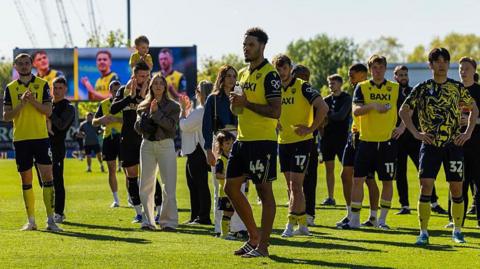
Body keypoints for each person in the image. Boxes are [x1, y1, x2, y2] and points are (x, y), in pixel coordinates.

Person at [400, 48, 478, 245]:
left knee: (456, 188)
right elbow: (404, 110)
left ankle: (458, 231)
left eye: (445, 61)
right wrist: (416, 133)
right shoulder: (423, 88)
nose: (441, 64)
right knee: (425, 186)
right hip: (430, 145)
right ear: (430, 65)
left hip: (453, 145)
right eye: (437, 61)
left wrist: (467, 133)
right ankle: (423, 232)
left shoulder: (456, 88)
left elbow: (474, 109)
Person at [225, 27, 282, 258]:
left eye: (250, 45)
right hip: (242, 140)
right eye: (244, 44)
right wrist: (235, 103)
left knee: (264, 192)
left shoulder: (271, 75)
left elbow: (275, 111)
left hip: (263, 142)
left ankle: (264, 247)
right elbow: (238, 108)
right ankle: (253, 237)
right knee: (230, 188)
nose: (246, 48)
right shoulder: (242, 73)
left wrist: (246, 103)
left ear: (262, 46)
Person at [3, 53, 61, 231]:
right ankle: (31, 221)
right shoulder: (10, 88)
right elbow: (6, 116)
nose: (23, 66)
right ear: (15, 66)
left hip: (40, 138)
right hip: (21, 139)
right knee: (26, 179)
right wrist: (21, 104)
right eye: (20, 64)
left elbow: (48, 111)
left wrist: (33, 101)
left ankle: (51, 220)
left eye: (26, 63)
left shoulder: (42, 84)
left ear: (31, 65)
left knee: (48, 177)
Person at [273, 54, 328, 237]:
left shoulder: (303, 86)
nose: (281, 72)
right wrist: (274, 122)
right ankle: (303, 225)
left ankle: (290, 224)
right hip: (283, 142)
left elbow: (323, 107)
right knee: (291, 188)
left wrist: (311, 128)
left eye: (284, 68)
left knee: (296, 185)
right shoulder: (274, 88)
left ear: (290, 68)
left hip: (302, 142)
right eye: (278, 69)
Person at [343, 55, 399, 230]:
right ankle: (354, 220)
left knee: (387, 181)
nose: (378, 70)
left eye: (381, 67)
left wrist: (402, 127)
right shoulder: (362, 87)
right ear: (370, 70)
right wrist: (373, 106)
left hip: (387, 142)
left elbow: (408, 109)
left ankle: (381, 220)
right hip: (366, 141)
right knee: (358, 179)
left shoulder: (395, 88)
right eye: (374, 67)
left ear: (385, 68)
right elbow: (356, 111)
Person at [393, 65, 445, 215]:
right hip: (397, 139)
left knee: (424, 171)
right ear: (395, 77)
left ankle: (434, 203)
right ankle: (405, 206)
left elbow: (410, 110)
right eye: (400, 75)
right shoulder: (392, 93)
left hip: (415, 137)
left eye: (405, 74)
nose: (403, 77)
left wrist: (405, 128)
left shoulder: (413, 91)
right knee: (400, 173)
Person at [202, 65, 246, 238]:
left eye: (234, 76)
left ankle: (239, 227)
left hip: (238, 138)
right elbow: (206, 126)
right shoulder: (213, 99)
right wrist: (208, 149)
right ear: (222, 78)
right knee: (219, 185)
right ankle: (220, 227)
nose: (231, 79)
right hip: (219, 139)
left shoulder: (240, 97)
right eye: (228, 76)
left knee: (240, 185)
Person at [135, 73, 180, 231]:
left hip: (165, 145)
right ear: (151, 86)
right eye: (155, 83)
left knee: (169, 185)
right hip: (147, 145)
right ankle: (148, 221)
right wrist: (143, 121)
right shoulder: (142, 105)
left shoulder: (174, 106)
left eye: (161, 83)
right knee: (145, 185)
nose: (158, 86)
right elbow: (137, 128)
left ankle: (169, 222)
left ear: (165, 86)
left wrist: (155, 113)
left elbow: (171, 127)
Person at [337, 64, 380, 228]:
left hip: (367, 138)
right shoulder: (356, 91)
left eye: (352, 75)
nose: (350, 79)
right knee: (345, 174)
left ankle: (374, 217)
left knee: (369, 178)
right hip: (353, 136)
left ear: (363, 74)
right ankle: (350, 214)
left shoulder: (370, 89)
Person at [110, 61, 150, 223]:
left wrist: (142, 96)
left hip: (146, 139)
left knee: (149, 176)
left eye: (147, 75)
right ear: (134, 75)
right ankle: (139, 212)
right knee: (131, 177)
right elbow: (113, 109)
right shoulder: (123, 90)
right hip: (127, 139)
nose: (145, 78)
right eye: (142, 76)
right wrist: (130, 98)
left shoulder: (152, 89)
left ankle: (157, 211)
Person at [445, 57, 480, 228]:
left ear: (474, 70)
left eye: (466, 68)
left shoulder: (479, 92)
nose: (463, 71)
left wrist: (473, 121)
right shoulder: (452, 90)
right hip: (456, 144)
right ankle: (455, 220)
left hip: (477, 145)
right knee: (457, 181)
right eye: (460, 68)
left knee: (478, 182)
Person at [179, 80, 212, 225]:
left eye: (198, 91)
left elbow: (185, 126)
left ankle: (203, 217)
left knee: (200, 185)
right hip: (195, 150)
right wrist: (186, 110)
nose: (196, 93)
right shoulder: (200, 109)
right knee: (194, 185)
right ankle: (195, 216)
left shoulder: (201, 110)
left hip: (197, 150)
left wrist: (182, 111)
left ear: (202, 93)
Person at [292, 65, 319, 226]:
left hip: (309, 142)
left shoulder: (311, 94)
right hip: (290, 142)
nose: (303, 79)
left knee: (310, 180)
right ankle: (296, 213)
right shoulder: (288, 91)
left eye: (305, 76)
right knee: (293, 182)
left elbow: (324, 116)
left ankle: (309, 214)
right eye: (299, 76)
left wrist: (312, 128)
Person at [321, 74, 351, 206]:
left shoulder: (346, 98)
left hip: (342, 139)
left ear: (339, 84)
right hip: (327, 139)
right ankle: (330, 197)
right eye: (329, 83)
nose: (330, 85)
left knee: (348, 170)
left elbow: (340, 116)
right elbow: (320, 119)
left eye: (333, 83)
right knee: (329, 169)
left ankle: (352, 198)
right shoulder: (326, 100)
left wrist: (327, 115)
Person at [48, 77, 75, 223]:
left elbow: (61, 125)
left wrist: (48, 114)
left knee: (57, 180)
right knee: (44, 181)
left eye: (60, 88)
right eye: (54, 87)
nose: (57, 91)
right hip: (42, 146)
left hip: (57, 147)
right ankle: (51, 207)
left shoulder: (69, 107)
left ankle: (59, 212)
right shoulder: (47, 104)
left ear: (65, 89)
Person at [93, 80, 123, 207]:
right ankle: (116, 199)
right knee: (111, 169)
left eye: (118, 90)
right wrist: (102, 119)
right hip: (108, 139)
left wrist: (117, 119)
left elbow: (132, 120)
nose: (116, 93)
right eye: (114, 90)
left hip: (123, 138)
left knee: (129, 169)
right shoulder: (104, 104)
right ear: (110, 91)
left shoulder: (125, 104)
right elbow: (94, 121)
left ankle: (131, 198)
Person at [214, 131, 238, 239]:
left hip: (232, 191)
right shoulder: (220, 160)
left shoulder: (232, 158)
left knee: (231, 212)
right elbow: (218, 175)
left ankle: (226, 232)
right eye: (227, 143)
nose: (230, 146)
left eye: (232, 143)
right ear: (221, 145)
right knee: (227, 213)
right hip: (225, 191)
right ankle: (224, 234)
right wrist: (228, 176)